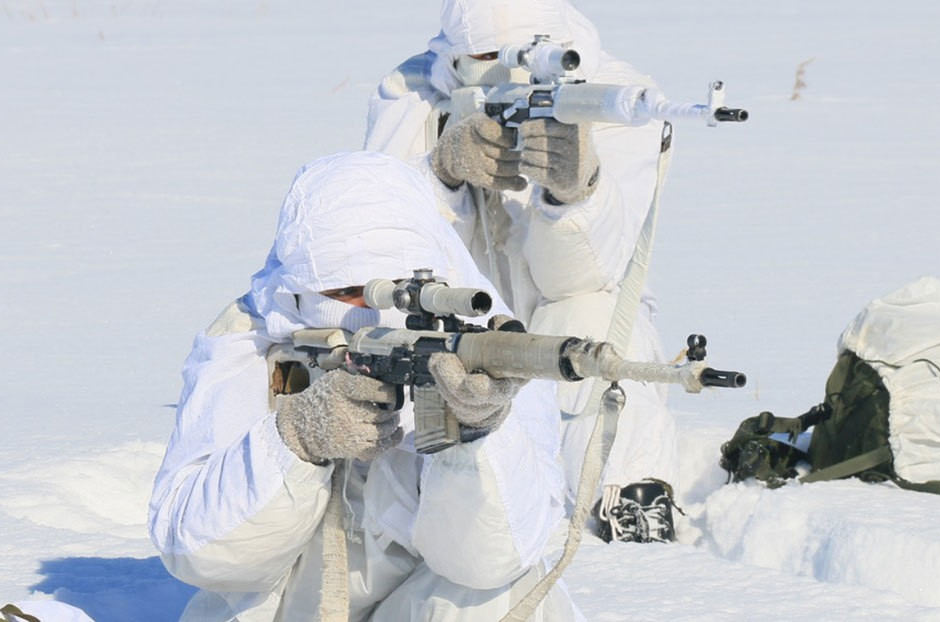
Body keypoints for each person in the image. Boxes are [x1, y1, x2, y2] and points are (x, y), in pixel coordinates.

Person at [148, 152, 581, 620]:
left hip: (419, 601)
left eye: (394, 289)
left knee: (504, 594)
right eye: (341, 294)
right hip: (287, 605)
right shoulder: (247, 338)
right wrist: (294, 438)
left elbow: (494, 558)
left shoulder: (490, 346)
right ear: (297, 287)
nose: (369, 313)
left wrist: (478, 438)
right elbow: (194, 549)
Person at [362, 0, 681, 542]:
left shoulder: (615, 96)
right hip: (453, 322)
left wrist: (575, 193)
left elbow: (588, 278)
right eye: (487, 58)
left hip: (558, 319)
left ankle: (625, 499)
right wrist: (443, 176)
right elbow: (378, 251)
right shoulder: (411, 93)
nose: (509, 72)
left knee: (596, 320)